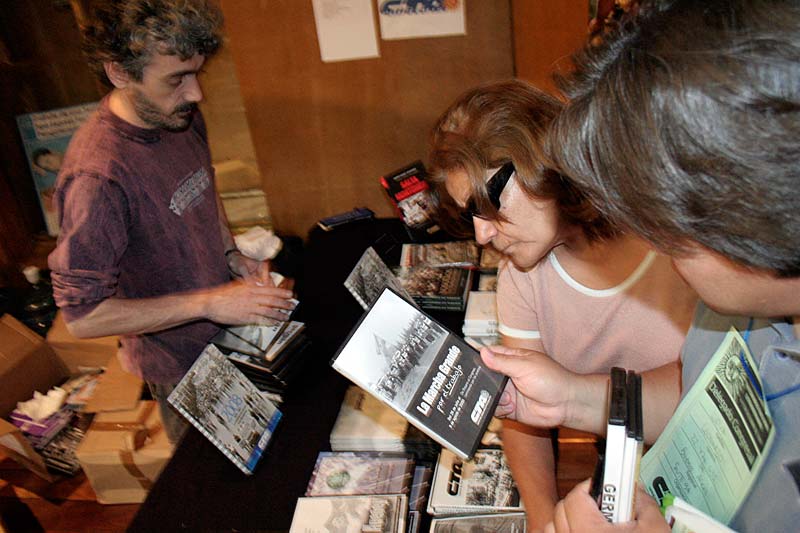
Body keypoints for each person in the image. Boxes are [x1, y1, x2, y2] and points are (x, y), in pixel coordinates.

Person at [481, 1, 800, 531]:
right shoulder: (741, 302)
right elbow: (697, 398)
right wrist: (571, 396)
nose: (654, 242)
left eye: (661, 221)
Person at [428, 79, 697, 531]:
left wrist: (574, 395)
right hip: (626, 471)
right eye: (468, 213)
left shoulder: (673, 238)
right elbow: (526, 416)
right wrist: (542, 519)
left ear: (542, 161)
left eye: (486, 203)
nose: (481, 233)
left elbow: (712, 382)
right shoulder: (522, 275)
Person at [48, 0, 295, 444]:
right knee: (212, 479)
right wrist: (209, 302)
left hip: (229, 333)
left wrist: (230, 254)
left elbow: (203, 187)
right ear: (119, 73)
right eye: (177, 78)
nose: (197, 93)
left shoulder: (179, 116)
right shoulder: (97, 179)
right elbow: (82, 318)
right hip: (178, 366)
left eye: (197, 73)